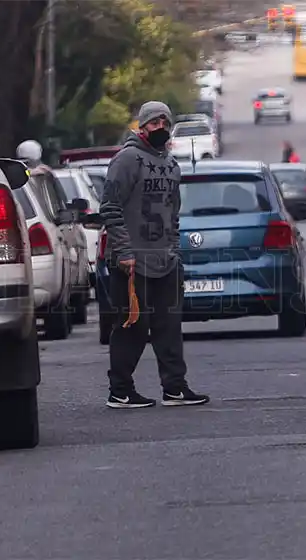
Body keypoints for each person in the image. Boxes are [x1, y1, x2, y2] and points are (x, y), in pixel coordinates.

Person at [99, 101, 209, 409]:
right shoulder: (127, 160)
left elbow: (173, 212)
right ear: (142, 126)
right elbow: (109, 208)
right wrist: (123, 250)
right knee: (132, 326)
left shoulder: (172, 164)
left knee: (170, 327)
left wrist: (174, 250)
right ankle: (120, 390)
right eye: (153, 122)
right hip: (132, 261)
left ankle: (174, 387)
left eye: (164, 122)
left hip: (166, 259)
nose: (159, 127)